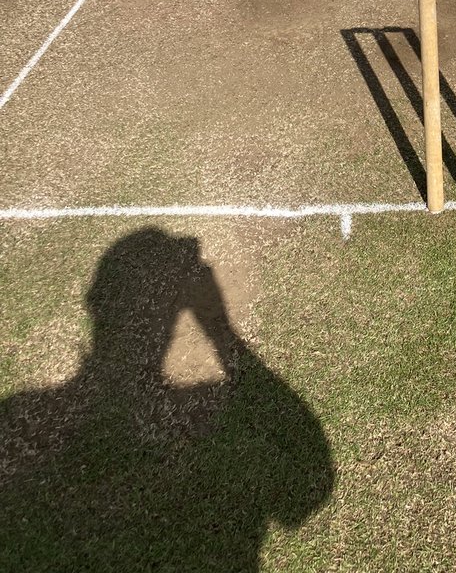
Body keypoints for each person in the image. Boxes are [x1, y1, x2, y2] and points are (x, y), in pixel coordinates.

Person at [0, 229, 334, 570]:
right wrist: (218, 329)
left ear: (96, 302)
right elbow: (307, 482)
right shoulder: (210, 413)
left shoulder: (16, 420)